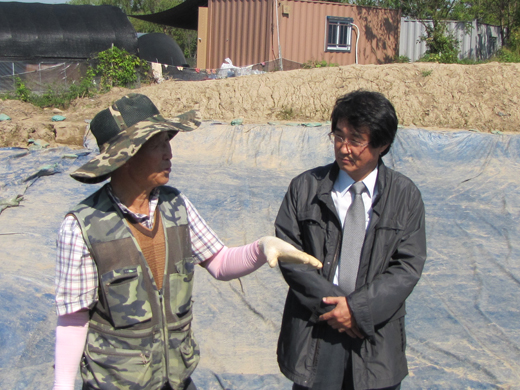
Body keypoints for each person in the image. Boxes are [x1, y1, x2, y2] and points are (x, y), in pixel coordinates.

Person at [53, 93, 321, 390]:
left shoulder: (176, 206)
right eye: (158, 145)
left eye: (168, 143)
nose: (169, 154)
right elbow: (73, 319)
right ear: (126, 157)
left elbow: (219, 262)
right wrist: (61, 385)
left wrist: (262, 248)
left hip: (177, 380)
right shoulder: (83, 226)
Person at [274, 90, 427, 390]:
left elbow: (407, 267)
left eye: (356, 139)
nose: (344, 148)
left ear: (382, 144)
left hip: (373, 337)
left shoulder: (405, 197)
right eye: (338, 136)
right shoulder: (305, 188)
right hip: (317, 330)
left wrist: (357, 310)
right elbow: (290, 254)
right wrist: (336, 308)